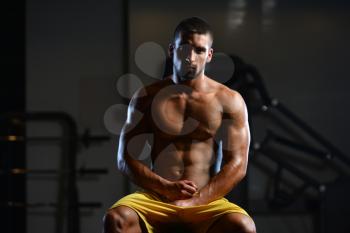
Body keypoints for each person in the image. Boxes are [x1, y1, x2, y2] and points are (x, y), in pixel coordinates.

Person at [103, 17, 256, 233]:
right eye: (184, 48)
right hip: (157, 198)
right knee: (116, 219)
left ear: (209, 55)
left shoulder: (228, 100)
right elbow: (125, 158)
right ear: (172, 50)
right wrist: (164, 187)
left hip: (206, 200)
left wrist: (196, 201)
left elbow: (238, 164)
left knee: (243, 227)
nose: (191, 58)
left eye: (200, 50)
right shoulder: (147, 97)